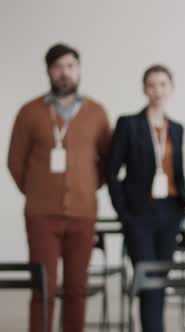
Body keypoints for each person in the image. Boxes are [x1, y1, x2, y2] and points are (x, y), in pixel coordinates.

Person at [7, 43, 111, 332]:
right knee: (43, 287)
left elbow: (107, 162)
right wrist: (39, 191)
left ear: (78, 70)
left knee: (77, 288)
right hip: (41, 215)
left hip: (83, 213)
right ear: (49, 71)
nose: (64, 73)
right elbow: (15, 161)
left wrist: (87, 186)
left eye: (70, 66)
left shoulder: (97, 112)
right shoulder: (29, 112)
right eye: (58, 67)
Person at [106, 64, 185, 332]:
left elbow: (178, 172)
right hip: (139, 215)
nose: (157, 90)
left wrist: (184, 209)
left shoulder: (176, 128)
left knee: (160, 280)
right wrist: (124, 214)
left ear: (171, 88)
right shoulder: (129, 124)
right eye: (151, 85)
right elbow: (111, 171)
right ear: (144, 89)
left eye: (162, 84)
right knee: (147, 279)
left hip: (169, 212)